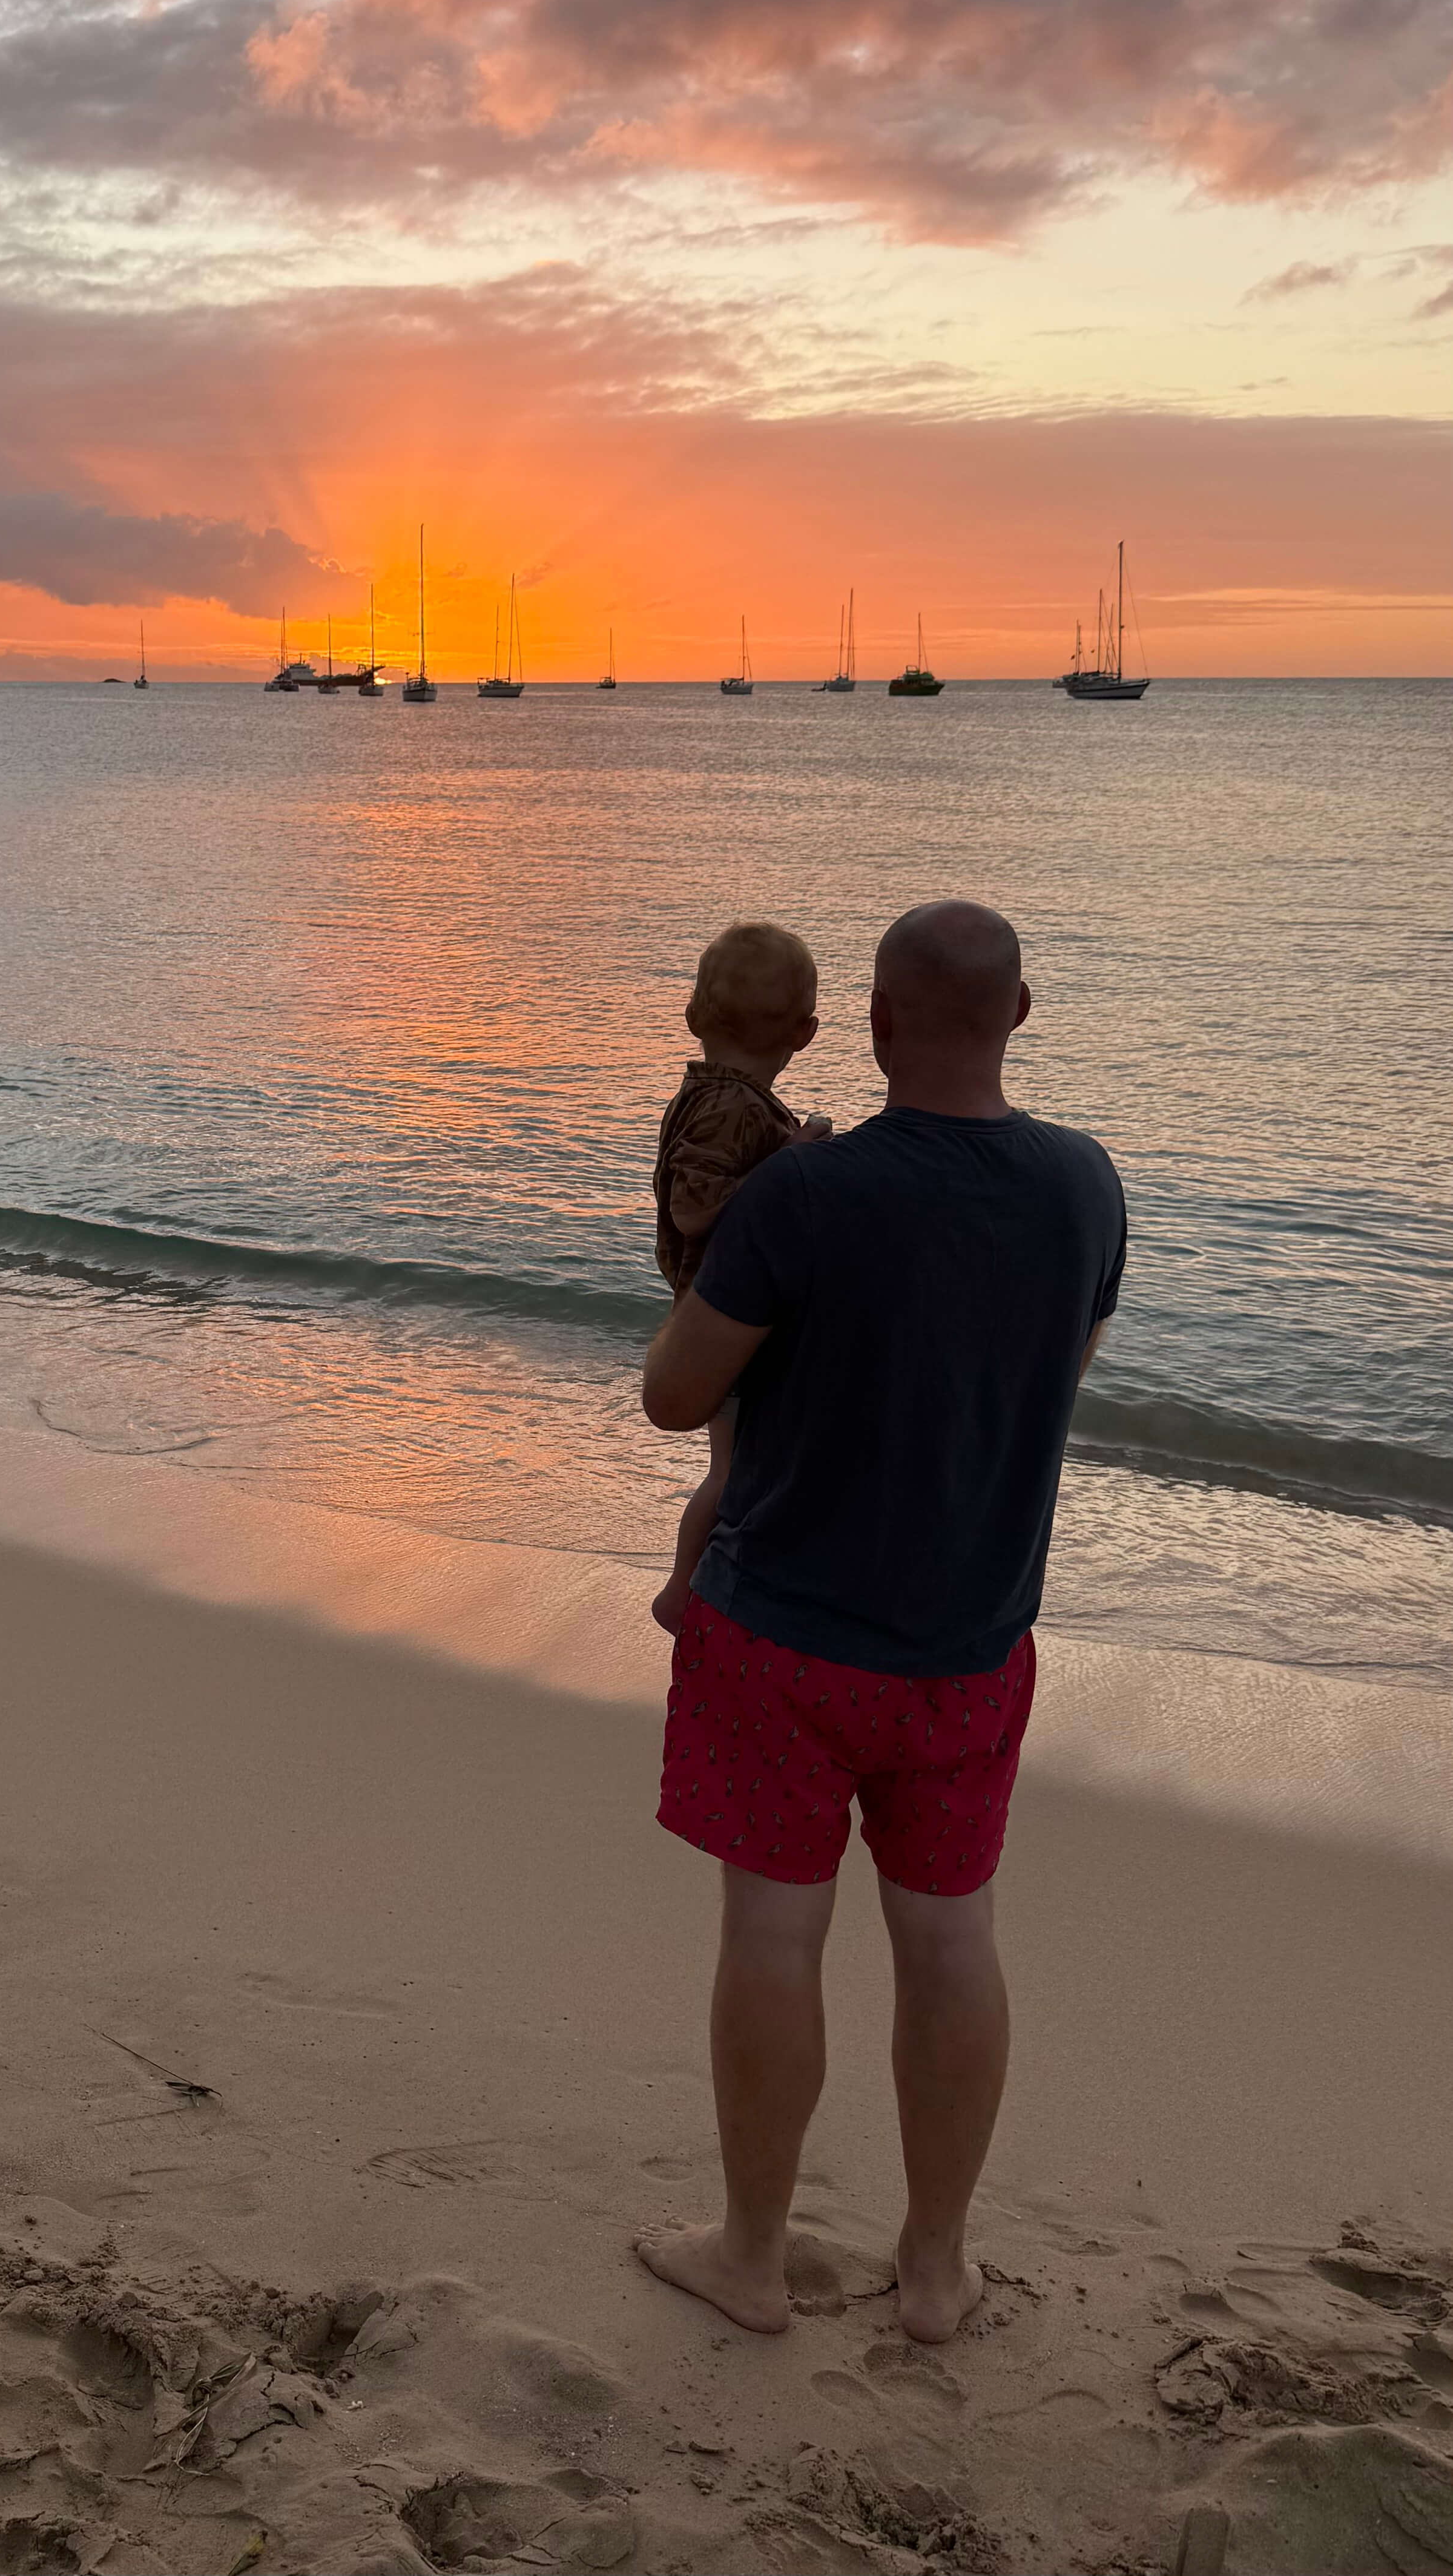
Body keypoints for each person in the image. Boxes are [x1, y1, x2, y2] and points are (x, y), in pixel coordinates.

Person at [634, 901, 1124, 2345]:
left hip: (779, 1632)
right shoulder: (1083, 1188)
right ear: (1020, 1016)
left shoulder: (802, 1198)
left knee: (775, 1938)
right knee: (951, 1937)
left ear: (870, 1021)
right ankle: (933, 2269)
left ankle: (752, 2257)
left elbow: (673, 1393)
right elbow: (1060, 1367)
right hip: (967, 1646)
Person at [648, 923, 831, 1638]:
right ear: (807, 1033)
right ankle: (682, 1590)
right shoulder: (730, 1106)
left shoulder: (719, 1099)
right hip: (719, 1318)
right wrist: (792, 1161)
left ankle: (706, 1579)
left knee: (740, 1464)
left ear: (694, 1018)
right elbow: (696, 1207)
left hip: (719, 1312)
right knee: (730, 1470)